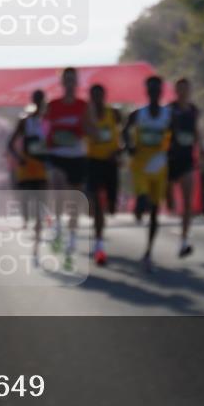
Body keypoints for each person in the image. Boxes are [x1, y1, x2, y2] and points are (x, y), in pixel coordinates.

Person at [42, 67, 95, 265]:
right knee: (58, 188)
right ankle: (56, 226)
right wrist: (49, 140)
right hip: (57, 155)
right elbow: (43, 129)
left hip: (77, 156)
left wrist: (90, 131)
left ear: (77, 82)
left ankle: (72, 236)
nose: (70, 83)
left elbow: (91, 129)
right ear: (62, 83)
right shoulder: (52, 105)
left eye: (73, 79)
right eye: (67, 79)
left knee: (74, 200)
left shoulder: (83, 105)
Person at [122, 75, 172, 272]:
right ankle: (137, 206)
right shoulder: (138, 114)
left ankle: (148, 251)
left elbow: (174, 135)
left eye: (156, 89)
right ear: (147, 92)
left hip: (159, 167)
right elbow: (125, 130)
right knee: (143, 201)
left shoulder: (168, 115)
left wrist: (170, 150)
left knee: (153, 212)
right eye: (150, 89)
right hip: (140, 166)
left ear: (160, 92)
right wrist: (128, 145)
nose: (153, 93)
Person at [86, 83, 122, 266]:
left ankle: (110, 205)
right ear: (90, 97)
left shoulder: (113, 113)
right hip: (93, 162)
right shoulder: (86, 115)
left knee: (111, 206)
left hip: (110, 163)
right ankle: (99, 243)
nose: (97, 99)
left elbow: (122, 134)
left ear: (105, 96)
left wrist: (119, 150)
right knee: (96, 204)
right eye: (94, 96)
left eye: (100, 95)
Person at [7, 90, 49, 242]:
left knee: (40, 200)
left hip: (41, 168)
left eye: (41, 100)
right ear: (33, 100)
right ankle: (26, 221)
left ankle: (38, 227)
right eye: (36, 99)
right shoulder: (25, 121)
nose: (39, 102)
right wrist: (19, 159)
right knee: (26, 198)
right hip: (26, 168)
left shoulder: (47, 120)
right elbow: (10, 144)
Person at [166, 78, 200, 258]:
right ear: (176, 91)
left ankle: (184, 241)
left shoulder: (193, 110)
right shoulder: (170, 109)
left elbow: (196, 131)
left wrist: (200, 149)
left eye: (186, 89)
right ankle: (169, 199)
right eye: (180, 89)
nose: (183, 92)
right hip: (171, 159)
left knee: (188, 203)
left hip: (187, 159)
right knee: (170, 201)